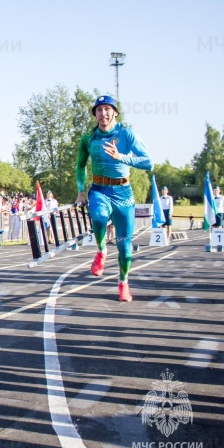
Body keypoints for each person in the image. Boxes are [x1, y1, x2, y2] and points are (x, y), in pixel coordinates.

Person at [75, 95, 153, 302]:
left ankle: (123, 283)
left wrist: (121, 157)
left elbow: (148, 162)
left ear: (115, 112)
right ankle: (101, 251)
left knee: (125, 249)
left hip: (123, 194)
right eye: (98, 110)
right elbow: (80, 166)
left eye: (107, 109)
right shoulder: (88, 138)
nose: (103, 114)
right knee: (99, 218)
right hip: (99, 189)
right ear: (95, 115)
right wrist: (81, 191)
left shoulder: (127, 134)